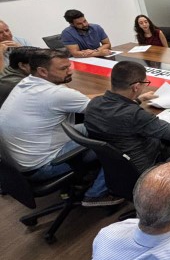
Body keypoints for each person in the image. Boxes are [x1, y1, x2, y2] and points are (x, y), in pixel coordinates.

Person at [0, 49, 123, 207]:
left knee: (95, 126)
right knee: (120, 138)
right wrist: (133, 99)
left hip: (18, 164)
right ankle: (96, 194)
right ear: (42, 71)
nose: (70, 71)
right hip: (43, 167)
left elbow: (88, 103)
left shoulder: (26, 83)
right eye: (64, 68)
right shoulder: (55, 94)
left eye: (69, 66)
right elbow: (107, 111)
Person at [84, 61, 170, 173]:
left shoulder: (93, 104)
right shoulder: (135, 115)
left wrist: (139, 99)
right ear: (136, 87)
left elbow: (118, 112)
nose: (145, 86)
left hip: (117, 168)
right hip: (146, 169)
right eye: (145, 83)